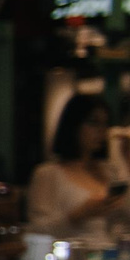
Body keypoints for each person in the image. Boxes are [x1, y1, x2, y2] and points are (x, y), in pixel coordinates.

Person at [28, 93, 128, 241]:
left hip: (110, 251)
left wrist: (125, 159)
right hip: (73, 252)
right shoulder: (48, 173)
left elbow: (124, 219)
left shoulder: (109, 170)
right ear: (74, 125)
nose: (101, 131)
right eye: (93, 123)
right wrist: (78, 215)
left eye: (105, 124)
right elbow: (37, 230)